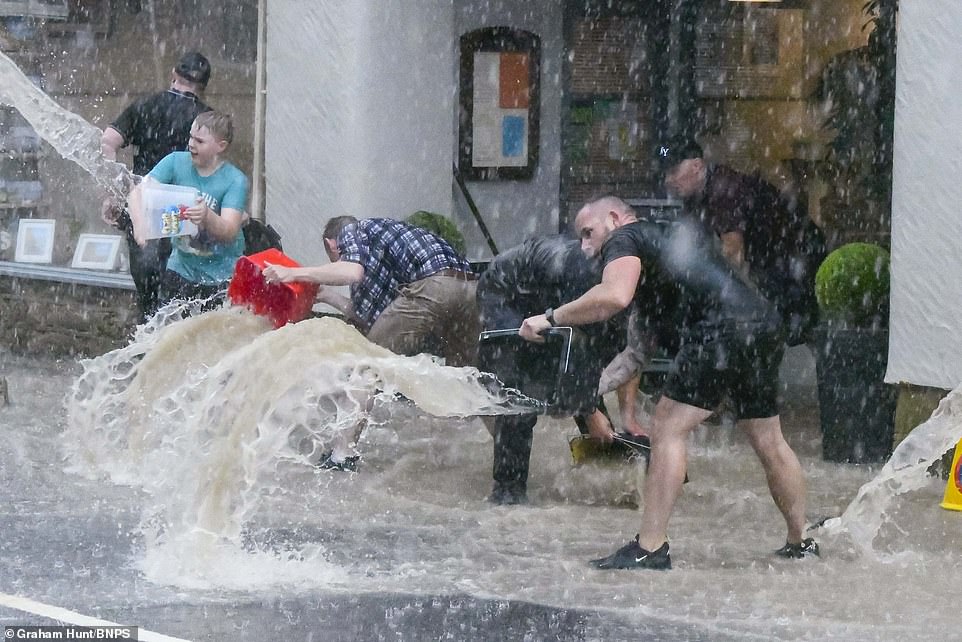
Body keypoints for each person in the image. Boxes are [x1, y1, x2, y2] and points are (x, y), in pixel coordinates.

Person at [519, 195, 817, 570]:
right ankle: (800, 542)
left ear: (613, 218)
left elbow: (612, 296)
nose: (585, 247)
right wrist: (582, 396)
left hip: (721, 333)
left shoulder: (624, 239)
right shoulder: (663, 247)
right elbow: (633, 357)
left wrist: (549, 318)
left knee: (667, 427)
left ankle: (650, 547)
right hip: (762, 328)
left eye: (588, 233)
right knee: (768, 439)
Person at [262, 216, 481, 470]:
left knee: (366, 366)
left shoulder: (351, 230)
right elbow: (372, 318)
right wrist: (325, 295)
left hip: (432, 288)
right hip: (471, 291)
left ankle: (342, 456)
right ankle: (458, 460)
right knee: (464, 379)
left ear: (331, 245)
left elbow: (351, 271)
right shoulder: (381, 253)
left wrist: (294, 273)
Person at [476, 234, 647, 505]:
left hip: (548, 295)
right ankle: (507, 492)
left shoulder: (631, 294)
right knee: (523, 388)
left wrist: (628, 417)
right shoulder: (589, 281)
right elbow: (577, 348)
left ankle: (610, 479)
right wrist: (590, 413)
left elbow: (610, 360)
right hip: (505, 291)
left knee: (581, 379)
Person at [658, 135, 827, 346]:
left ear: (696, 166)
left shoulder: (724, 188)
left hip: (796, 254)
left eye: (673, 171)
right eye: (665, 174)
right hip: (778, 258)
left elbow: (732, 253)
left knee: (793, 335)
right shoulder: (696, 197)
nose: (668, 180)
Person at [101, 51, 214, 322]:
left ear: (174, 75)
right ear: (203, 86)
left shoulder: (146, 105)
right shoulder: (206, 120)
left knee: (148, 289)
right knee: (179, 289)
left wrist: (115, 192)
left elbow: (108, 141)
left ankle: (147, 342)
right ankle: (169, 342)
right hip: (183, 209)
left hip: (144, 202)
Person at [127, 110, 249, 306]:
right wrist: (140, 226)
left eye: (199, 141)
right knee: (168, 328)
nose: (191, 144)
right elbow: (137, 193)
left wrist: (207, 216)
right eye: (191, 137)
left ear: (221, 146)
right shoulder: (175, 161)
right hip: (180, 267)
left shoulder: (235, 180)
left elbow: (229, 231)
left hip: (222, 275)